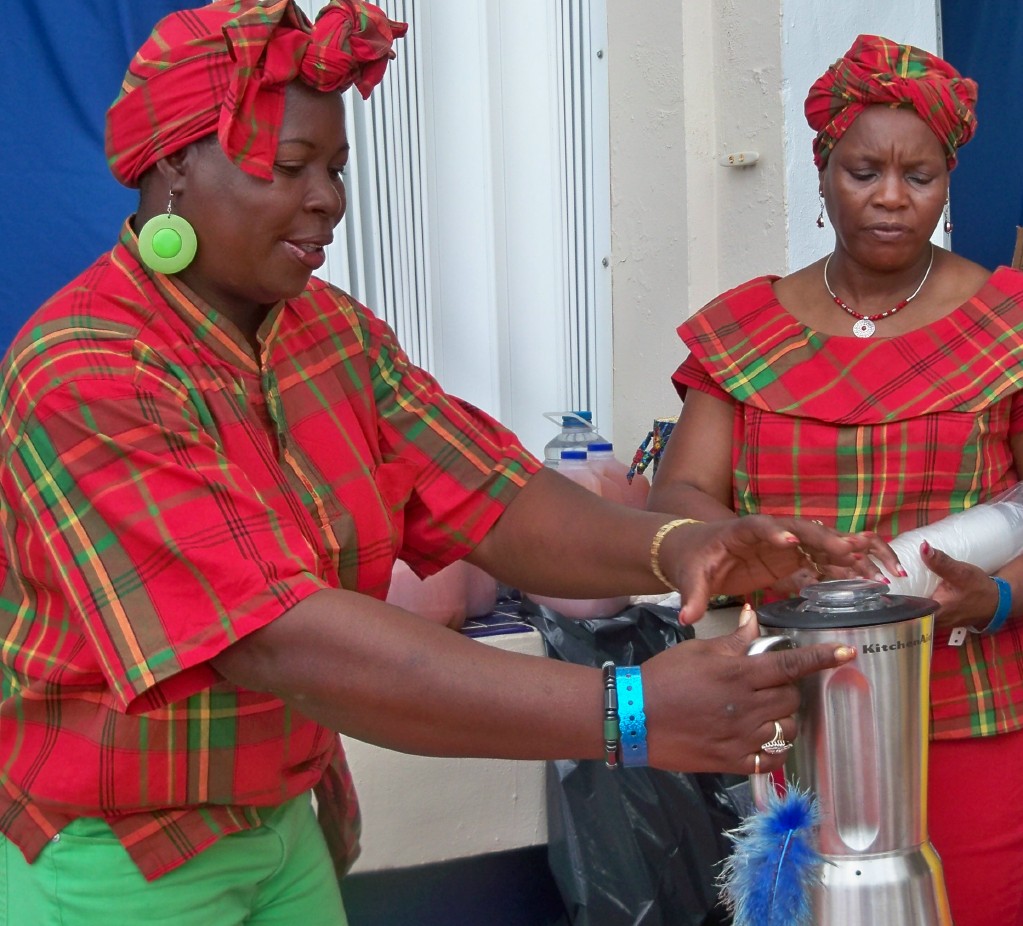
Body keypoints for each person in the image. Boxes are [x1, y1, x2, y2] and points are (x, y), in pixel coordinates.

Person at [0, 5, 898, 924]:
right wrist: (628, 710)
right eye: (289, 167)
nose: (328, 200)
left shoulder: (330, 338)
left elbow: (497, 500)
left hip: (284, 823)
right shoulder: (88, 372)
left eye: (338, 168)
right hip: (117, 856)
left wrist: (680, 546)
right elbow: (279, 636)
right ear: (173, 167)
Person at [647, 33, 1023, 926]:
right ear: (820, 169)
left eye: (919, 176)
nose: (891, 199)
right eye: (862, 170)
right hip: (797, 700)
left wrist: (996, 599)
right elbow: (679, 497)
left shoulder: (1004, 324)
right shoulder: (742, 333)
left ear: (946, 180)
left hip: (966, 705)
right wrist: (749, 548)